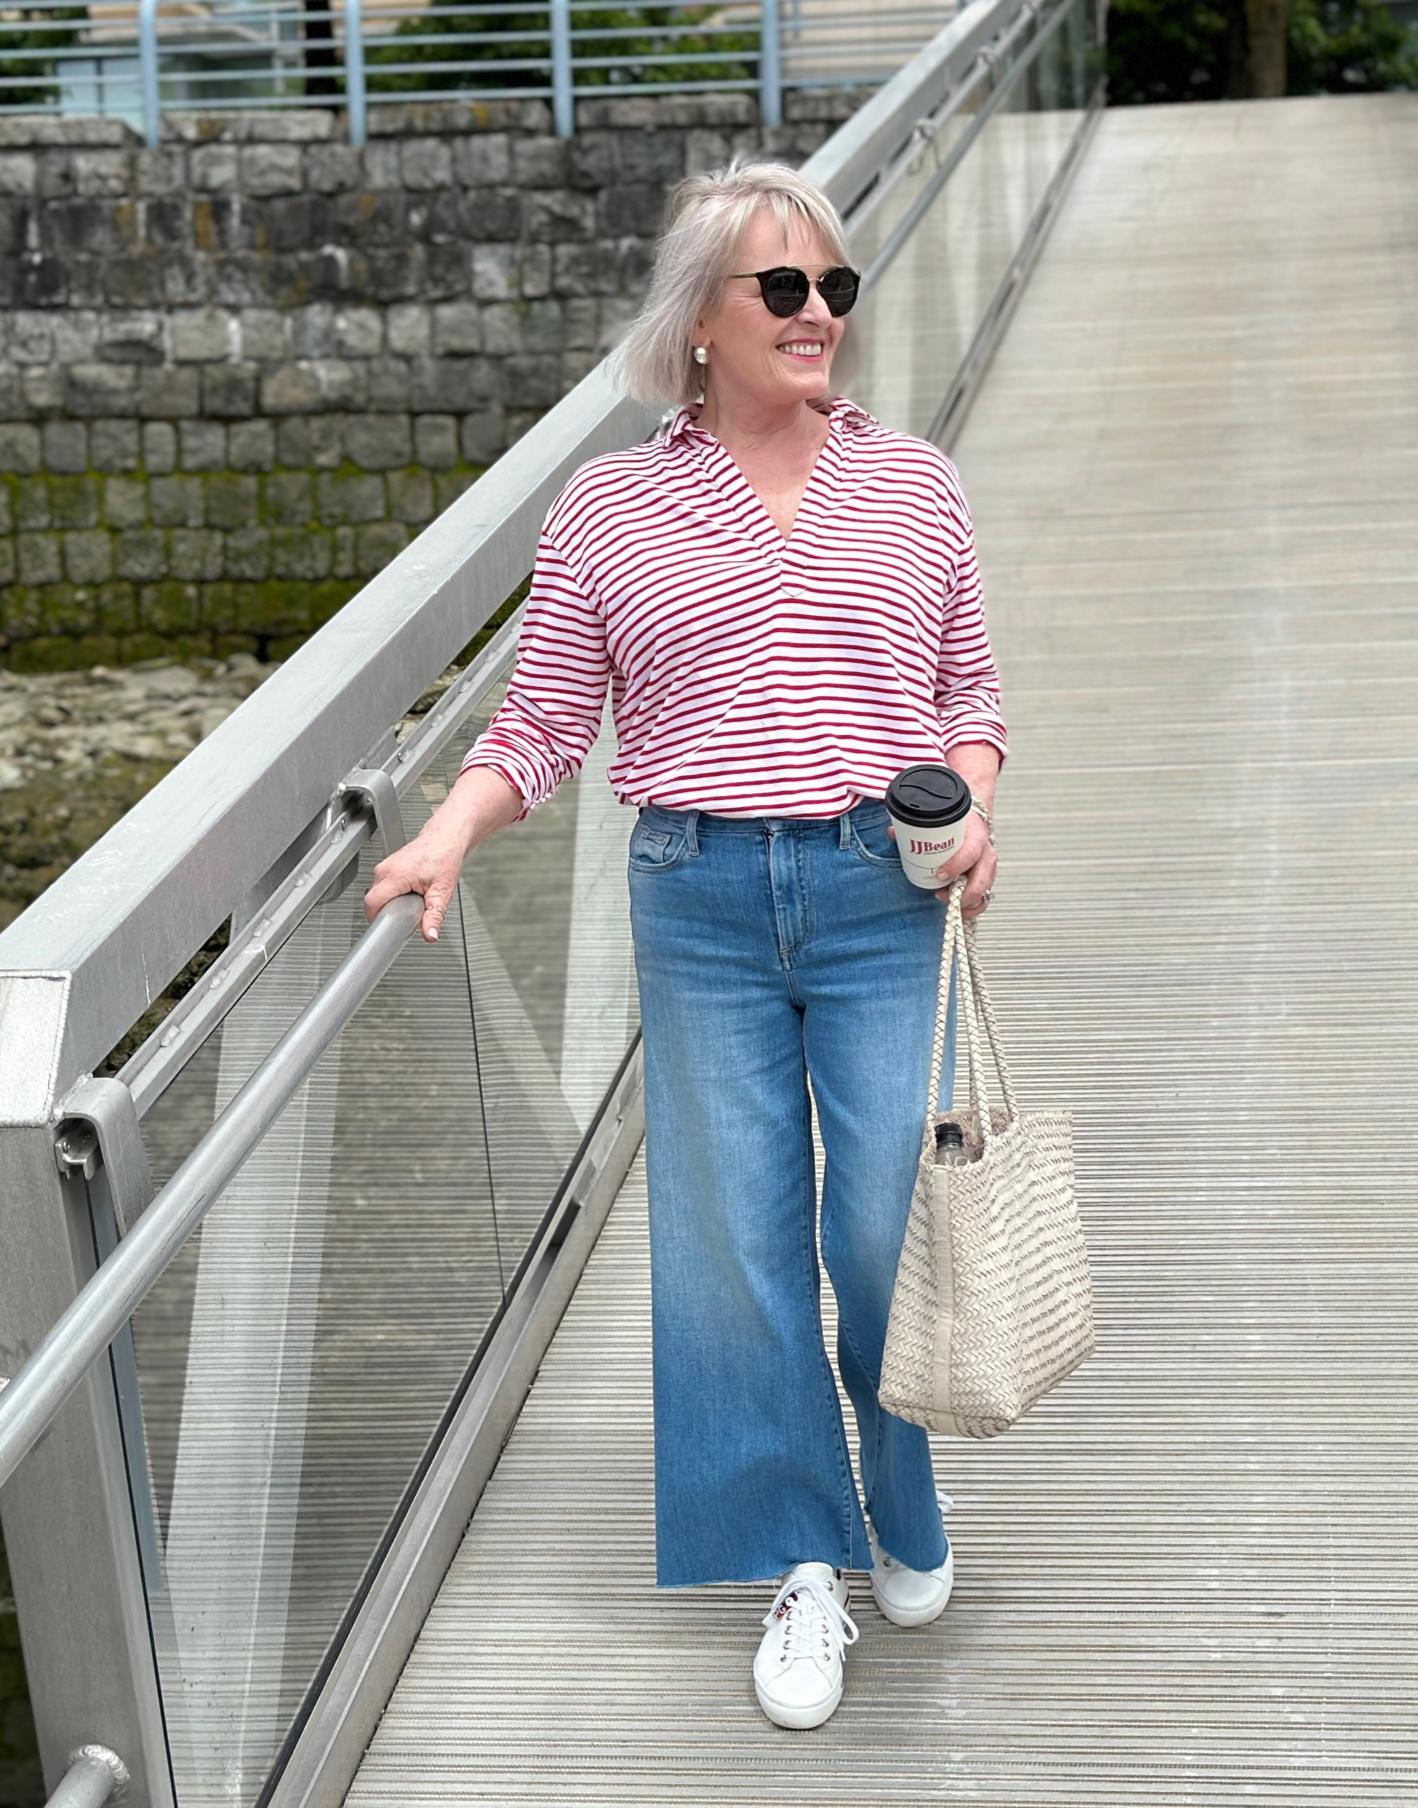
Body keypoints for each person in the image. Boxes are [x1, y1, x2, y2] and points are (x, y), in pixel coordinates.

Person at [365, 160, 1006, 1731]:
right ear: (701, 323)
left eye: (834, 289)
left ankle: (899, 1478)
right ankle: (800, 1555)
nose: (817, 317)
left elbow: (970, 702)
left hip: (879, 893)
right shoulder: (609, 507)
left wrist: (973, 811)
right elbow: (543, 719)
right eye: (781, 290)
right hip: (700, 900)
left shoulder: (914, 485)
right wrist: (453, 826)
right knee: (733, 1253)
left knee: (878, 1234)